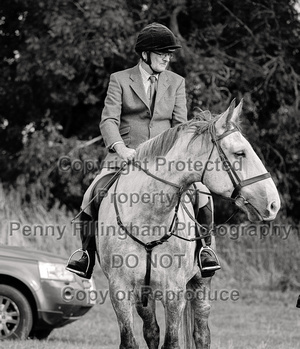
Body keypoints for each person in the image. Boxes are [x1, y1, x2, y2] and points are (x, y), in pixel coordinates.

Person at [66, 23, 220, 279]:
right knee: (91, 194)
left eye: (169, 53)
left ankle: (205, 249)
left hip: (165, 158)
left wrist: (176, 157)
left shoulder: (176, 82)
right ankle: (87, 254)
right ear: (145, 54)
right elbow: (109, 121)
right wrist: (121, 149)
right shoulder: (119, 79)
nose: (167, 58)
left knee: (202, 193)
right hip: (125, 155)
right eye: (162, 53)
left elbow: (180, 126)